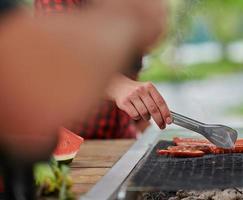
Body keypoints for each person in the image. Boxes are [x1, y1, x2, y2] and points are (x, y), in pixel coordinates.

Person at [0, 0, 168, 162]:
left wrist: (146, 126)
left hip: (121, 142)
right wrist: (118, 86)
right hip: (72, 148)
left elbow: (129, 78)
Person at [35, 0, 172, 139]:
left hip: (121, 137)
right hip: (71, 137)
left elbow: (130, 69)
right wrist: (117, 86)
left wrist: (145, 124)